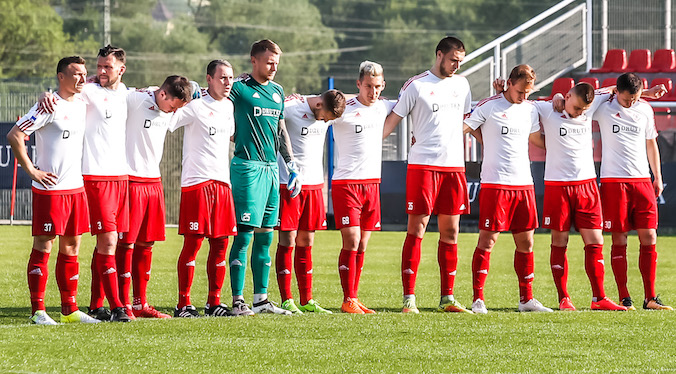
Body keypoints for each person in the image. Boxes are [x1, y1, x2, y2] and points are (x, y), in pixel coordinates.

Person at [38, 46, 133, 321]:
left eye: (108, 67)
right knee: (108, 240)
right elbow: (61, 91)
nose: (101, 72)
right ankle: (118, 308)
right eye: (99, 66)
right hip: (94, 177)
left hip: (121, 178)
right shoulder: (88, 91)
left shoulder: (130, 95)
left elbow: (176, 91)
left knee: (110, 242)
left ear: (121, 69)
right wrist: (44, 94)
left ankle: (96, 305)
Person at [383, 36, 473, 314]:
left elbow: (468, 122)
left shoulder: (463, 84)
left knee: (451, 231)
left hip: (454, 168)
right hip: (423, 167)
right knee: (417, 228)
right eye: (453, 60)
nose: (457, 65)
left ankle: (448, 298)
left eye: (460, 61)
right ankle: (409, 298)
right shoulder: (416, 85)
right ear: (439, 55)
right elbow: (390, 121)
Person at [8, 56, 99, 324]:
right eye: (76, 74)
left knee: (72, 246)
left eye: (84, 74)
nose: (82, 79)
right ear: (61, 77)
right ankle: (38, 311)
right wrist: (31, 170)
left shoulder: (84, 101)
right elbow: (14, 135)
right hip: (50, 190)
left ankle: (70, 310)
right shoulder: (48, 106)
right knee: (44, 246)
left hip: (76, 188)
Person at [530, 83, 627, 311]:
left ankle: (599, 298)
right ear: (567, 97)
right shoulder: (546, 109)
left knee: (596, 241)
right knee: (559, 242)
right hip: (558, 187)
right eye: (576, 108)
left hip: (587, 186)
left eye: (584, 109)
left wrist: (648, 93)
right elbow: (522, 105)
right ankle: (564, 298)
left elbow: (616, 87)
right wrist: (554, 96)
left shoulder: (590, 106)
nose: (580, 112)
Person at [464, 64, 552, 314]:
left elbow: (536, 139)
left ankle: (526, 299)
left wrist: (566, 142)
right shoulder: (490, 105)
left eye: (528, 92)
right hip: (496, 184)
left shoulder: (530, 110)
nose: (524, 96)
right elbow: (466, 126)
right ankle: (478, 299)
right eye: (521, 91)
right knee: (488, 239)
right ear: (510, 83)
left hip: (524, 184)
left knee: (527, 242)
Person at [228, 39, 299, 315]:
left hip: (272, 169)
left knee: (266, 236)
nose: (273, 68)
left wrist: (292, 164)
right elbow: (215, 101)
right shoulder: (239, 88)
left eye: (276, 64)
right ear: (254, 60)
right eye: (269, 62)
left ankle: (261, 299)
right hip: (247, 167)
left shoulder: (278, 92)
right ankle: (237, 301)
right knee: (244, 235)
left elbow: (281, 130)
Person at [594, 72, 672, 310]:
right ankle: (624, 296)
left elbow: (651, 143)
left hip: (642, 181)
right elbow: (588, 95)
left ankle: (650, 298)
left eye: (635, 98)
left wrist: (656, 176)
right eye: (627, 99)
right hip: (613, 181)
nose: (631, 103)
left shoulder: (645, 109)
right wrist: (617, 91)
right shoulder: (603, 106)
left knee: (649, 237)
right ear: (616, 92)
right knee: (620, 238)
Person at [118, 75, 192, 319]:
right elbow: (108, 94)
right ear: (162, 95)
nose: (174, 112)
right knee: (125, 244)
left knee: (146, 243)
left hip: (153, 182)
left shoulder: (170, 104)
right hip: (130, 180)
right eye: (173, 107)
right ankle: (121, 303)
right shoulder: (135, 99)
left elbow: (207, 89)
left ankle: (140, 304)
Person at [171, 60, 238, 317]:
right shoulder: (195, 107)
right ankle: (183, 304)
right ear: (208, 79)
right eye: (222, 77)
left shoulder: (229, 106)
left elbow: (230, 135)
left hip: (222, 183)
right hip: (197, 183)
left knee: (221, 243)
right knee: (193, 243)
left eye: (230, 78)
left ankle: (213, 303)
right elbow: (168, 119)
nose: (228, 82)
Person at [275, 90, 345, 314]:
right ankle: (287, 299)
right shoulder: (292, 107)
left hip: (315, 186)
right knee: (288, 239)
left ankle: (307, 299)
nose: (326, 121)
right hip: (289, 184)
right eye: (326, 116)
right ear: (318, 105)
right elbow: (270, 109)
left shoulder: (327, 110)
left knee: (306, 241)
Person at [332, 61, 394, 314]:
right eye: (368, 86)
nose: (373, 91)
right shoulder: (342, 108)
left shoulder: (384, 107)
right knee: (352, 239)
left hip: (372, 183)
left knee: (363, 244)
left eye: (377, 86)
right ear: (359, 84)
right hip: (346, 183)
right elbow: (315, 107)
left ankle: (354, 298)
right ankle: (348, 299)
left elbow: (412, 103)